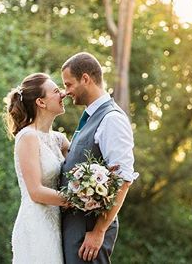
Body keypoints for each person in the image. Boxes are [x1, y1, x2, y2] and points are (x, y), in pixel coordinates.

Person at [60, 52, 137, 263]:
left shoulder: (111, 119)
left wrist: (99, 231)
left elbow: (124, 179)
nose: (66, 92)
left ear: (86, 78)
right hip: (75, 228)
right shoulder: (90, 118)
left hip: (90, 231)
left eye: (68, 84)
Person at [5, 73, 70, 264]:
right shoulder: (27, 137)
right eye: (57, 91)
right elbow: (35, 192)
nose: (63, 94)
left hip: (55, 224)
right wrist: (77, 199)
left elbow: (80, 164)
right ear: (41, 102)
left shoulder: (57, 139)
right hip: (36, 226)